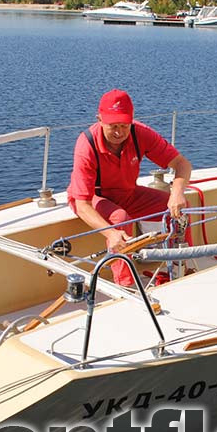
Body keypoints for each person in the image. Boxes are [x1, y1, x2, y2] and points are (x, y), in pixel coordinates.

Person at [67, 89, 192, 287]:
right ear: (99, 119)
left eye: (124, 125)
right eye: (113, 126)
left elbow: (182, 164)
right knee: (119, 218)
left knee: (178, 208)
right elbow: (82, 204)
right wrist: (111, 234)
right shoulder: (86, 145)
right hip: (93, 198)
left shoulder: (140, 134)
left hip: (127, 193)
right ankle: (126, 285)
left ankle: (179, 267)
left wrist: (176, 193)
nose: (119, 132)